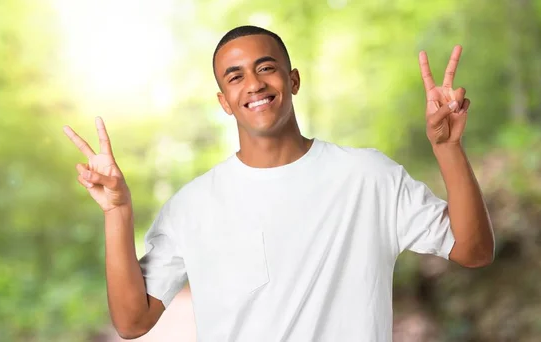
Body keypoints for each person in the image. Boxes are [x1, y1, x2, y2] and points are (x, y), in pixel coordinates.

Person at [63, 25, 494, 341]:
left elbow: (473, 250)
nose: (253, 83)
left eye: (265, 68)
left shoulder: (369, 178)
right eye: (235, 77)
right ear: (224, 102)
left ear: (292, 80)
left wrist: (448, 148)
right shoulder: (192, 206)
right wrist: (118, 213)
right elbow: (132, 322)